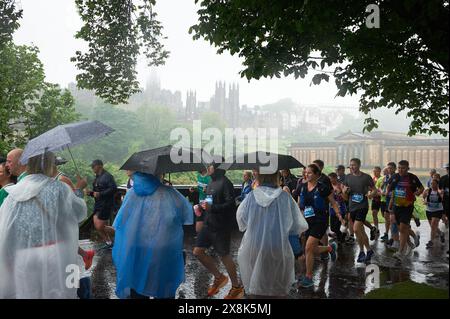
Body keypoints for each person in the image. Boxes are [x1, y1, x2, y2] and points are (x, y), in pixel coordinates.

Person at [0, 152, 87, 298]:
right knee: (57, 292)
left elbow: (6, 229)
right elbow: (79, 213)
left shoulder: (12, 194)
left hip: (24, 256)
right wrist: (78, 189)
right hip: (55, 252)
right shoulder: (59, 188)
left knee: (28, 294)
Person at [112, 172, 193, 299]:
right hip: (163, 248)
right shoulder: (169, 193)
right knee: (162, 285)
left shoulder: (131, 194)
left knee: (137, 284)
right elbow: (185, 215)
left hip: (138, 247)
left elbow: (120, 222)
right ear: (158, 174)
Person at [236, 171, 308, 297]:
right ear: (276, 177)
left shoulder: (251, 196)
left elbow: (241, 220)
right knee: (277, 285)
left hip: (254, 246)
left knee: (257, 283)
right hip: (278, 246)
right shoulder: (285, 197)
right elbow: (296, 225)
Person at [193, 161, 244, 299]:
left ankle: (236, 287)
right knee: (197, 252)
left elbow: (230, 205)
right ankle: (219, 277)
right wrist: (201, 207)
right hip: (208, 223)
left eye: (210, 165)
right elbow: (210, 202)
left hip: (221, 226)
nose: (207, 168)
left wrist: (213, 208)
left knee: (224, 255)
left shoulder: (225, 183)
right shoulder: (210, 183)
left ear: (216, 168)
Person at [298, 164, 340, 288]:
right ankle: (329, 248)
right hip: (307, 221)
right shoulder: (302, 187)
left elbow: (333, 202)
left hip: (320, 221)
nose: (307, 175)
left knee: (308, 247)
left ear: (317, 174)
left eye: (310, 173)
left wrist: (338, 214)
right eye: (306, 172)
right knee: (310, 249)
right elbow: (300, 205)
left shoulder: (323, 187)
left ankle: (309, 277)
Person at [387, 160, 424, 260]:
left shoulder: (412, 177)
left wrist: (416, 194)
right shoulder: (394, 177)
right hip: (396, 206)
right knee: (401, 228)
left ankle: (400, 251)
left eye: (402, 168)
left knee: (403, 228)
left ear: (407, 168)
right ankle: (411, 240)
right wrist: (390, 202)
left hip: (407, 207)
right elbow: (390, 190)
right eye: (399, 168)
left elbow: (421, 188)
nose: (400, 170)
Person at [342, 158, 376, 264]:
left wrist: (371, 194)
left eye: (354, 165)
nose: (352, 167)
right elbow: (344, 195)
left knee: (356, 229)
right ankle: (365, 251)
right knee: (361, 230)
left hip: (362, 206)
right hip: (352, 207)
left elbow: (374, 189)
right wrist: (344, 192)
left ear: (359, 165)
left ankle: (364, 251)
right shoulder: (347, 178)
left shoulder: (366, 177)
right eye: (351, 165)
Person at [85, 159, 117, 247]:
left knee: (99, 226)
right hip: (98, 204)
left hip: (106, 204)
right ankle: (108, 241)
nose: (92, 168)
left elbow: (113, 188)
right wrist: (90, 193)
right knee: (97, 225)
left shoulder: (108, 176)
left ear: (100, 166)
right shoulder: (97, 178)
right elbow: (96, 193)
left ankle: (118, 233)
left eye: (93, 166)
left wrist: (101, 194)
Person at [423, 179, 445, 249]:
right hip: (429, 210)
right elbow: (424, 198)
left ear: (437, 184)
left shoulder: (440, 191)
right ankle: (441, 233)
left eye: (434, 184)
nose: (432, 185)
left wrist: (439, 193)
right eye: (431, 184)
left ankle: (431, 242)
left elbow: (442, 199)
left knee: (433, 225)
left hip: (438, 210)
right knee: (433, 227)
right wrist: (425, 201)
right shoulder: (427, 190)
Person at [328, 172, 348, 243]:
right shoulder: (329, 186)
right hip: (332, 209)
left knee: (336, 227)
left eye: (331, 179)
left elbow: (346, 198)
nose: (330, 181)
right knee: (333, 228)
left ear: (335, 178)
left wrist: (340, 192)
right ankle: (341, 236)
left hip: (341, 209)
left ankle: (341, 239)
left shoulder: (341, 185)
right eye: (329, 179)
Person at [376, 167, 391, 242]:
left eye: (386, 171)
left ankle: (387, 234)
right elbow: (377, 188)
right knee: (384, 216)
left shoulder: (392, 178)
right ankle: (388, 232)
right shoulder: (381, 179)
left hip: (389, 200)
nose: (385, 172)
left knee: (387, 217)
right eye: (384, 171)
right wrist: (381, 191)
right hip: (382, 200)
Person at [370, 166, 382, 238]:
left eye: (376, 171)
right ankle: (376, 228)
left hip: (382, 199)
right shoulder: (372, 179)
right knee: (374, 213)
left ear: (379, 171)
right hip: (375, 199)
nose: (374, 172)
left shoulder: (382, 179)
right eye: (373, 171)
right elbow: (370, 189)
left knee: (385, 215)